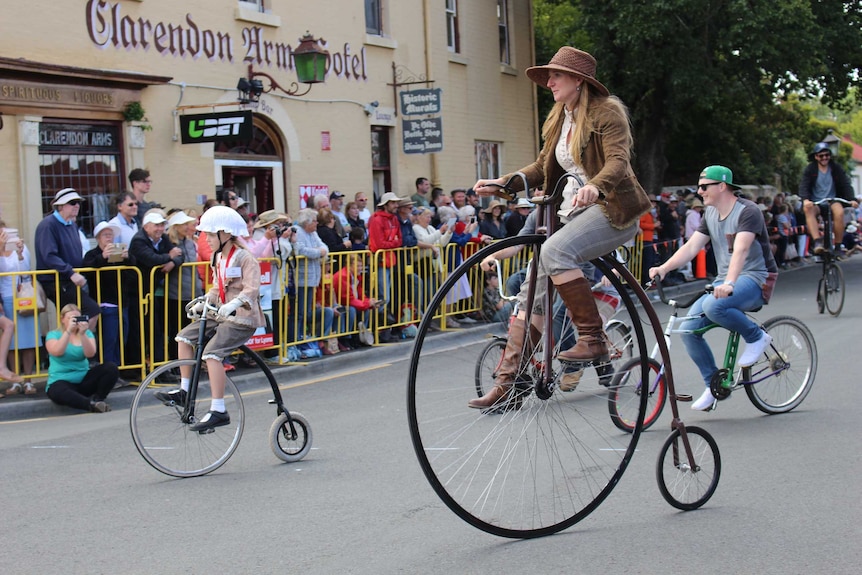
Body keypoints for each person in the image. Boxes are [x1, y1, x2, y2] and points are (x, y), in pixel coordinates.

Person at [470, 46, 650, 409]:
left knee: (554, 250)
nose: (549, 82)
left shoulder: (606, 112)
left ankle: (592, 337)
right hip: (571, 213)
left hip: (611, 209)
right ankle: (510, 381)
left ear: (579, 81)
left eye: (557, 76)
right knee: (529, 296)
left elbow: (618, 161)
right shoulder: (558, 118)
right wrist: (503, 184)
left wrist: (596, 186)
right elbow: (541, 168)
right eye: (549, 76)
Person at [649, 165, 779, 411]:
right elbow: (690, 248)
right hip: (724, 280)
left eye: (704, 186)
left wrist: (729, 282)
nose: (699, 191)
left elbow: (740, 250)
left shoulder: (747, 211)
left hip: (755, 277)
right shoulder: (709, 213)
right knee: (687, 330)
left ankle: (756, 336)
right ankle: (714, 385)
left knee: (713, 306)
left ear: (722, 186)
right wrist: (664, 268)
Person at [157, 206, 264, 432]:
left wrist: (234, 304)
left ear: (224, 234)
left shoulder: (245, 258)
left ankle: (218, 409)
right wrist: (205, 301)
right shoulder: (218, 258)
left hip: (243, 318)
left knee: (211, 353)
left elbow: (252, 289)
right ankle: (185, 391)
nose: (205, 239)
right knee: (183, 338)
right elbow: (217, 287)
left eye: (209, 234)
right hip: (222, 315)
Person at [35, 188, 101, 333]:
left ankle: (70, 348)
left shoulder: (72, 225)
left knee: (74, 317)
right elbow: (49, 256)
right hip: (56, 280)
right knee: (91, 310)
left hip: (69, 279)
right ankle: (76, 347)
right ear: (60, 206)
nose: (77, 205)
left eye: (78, 202)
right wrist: (70, 273)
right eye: (72, 203)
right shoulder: (48, 225)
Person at [129, 210, 183, 370]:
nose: (160, 229)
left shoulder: (162, 238)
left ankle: (160, 367)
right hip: (137, 292)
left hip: (153, 291)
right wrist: (169, 257)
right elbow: (151, 259)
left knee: (157, 330)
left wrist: (173, 262)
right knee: (142, 332)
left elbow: (180, 254)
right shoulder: (138, 240)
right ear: (146, 227)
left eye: (162, 225)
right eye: (156, 225)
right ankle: (142, 369)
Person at [82, 221, 137, 370]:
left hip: (122, 301)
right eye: (106, 235)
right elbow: (86, 270)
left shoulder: (119, 252)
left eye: (111, 235)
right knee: (109, 339)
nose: (109, 238)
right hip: (105, 302)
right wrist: (102, 258)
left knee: (122, 338)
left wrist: (128, 259)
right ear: (98, 238)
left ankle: (117, 369)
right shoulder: (92, 254)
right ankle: (108, 370)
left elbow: (133, 272)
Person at [45, 303, 118, 413]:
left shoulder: (86, 333)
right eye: (71, 318)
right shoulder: (53, 334)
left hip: (83, 379)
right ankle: (91, 405)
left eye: (78, 318)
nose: (75, 322)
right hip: (61, 380)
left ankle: (98, 399)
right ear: (62, 319)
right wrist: (68, 331)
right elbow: (57, 351)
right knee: (57, 390)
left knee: (111, 368)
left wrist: (83, 334)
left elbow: (90, 354)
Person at [799, 142, 858, 254]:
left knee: (839, 212)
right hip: (817, 202)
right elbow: (804, 185)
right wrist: (806, 199)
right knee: (808, 209)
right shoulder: (810, 169)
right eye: (821, 156)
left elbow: (845, 184)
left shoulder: (835, 168)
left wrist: (852, 199)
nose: (824, 158)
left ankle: (838, 245)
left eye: (827, 155)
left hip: (833, 200)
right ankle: (817, 242)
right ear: (816, 157)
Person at [0, 223, 38, 388]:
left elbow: (25, 272)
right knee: (12, 341)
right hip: (6, 296)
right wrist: (1, 249)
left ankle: (28, 380)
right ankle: (14, 381)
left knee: (27, 338)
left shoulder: (19, 247)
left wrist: (21, 254)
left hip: (23, 295)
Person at [166, 211, 204, 360]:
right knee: (177, 329)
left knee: (190, 328)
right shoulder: (171, 243)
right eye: (185, 224)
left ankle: (190, 359)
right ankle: (177, 360)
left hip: (191, 290)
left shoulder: (189, 242)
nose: (188, 226)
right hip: (177, 292)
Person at [290, 208, 329, 342]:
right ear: (307, 222)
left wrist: (321, 251)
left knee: (306, 310)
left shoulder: (313, 233)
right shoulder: (298, 231)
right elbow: (300, 250)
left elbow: (324, 247)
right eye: (314, 221)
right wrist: (318, 252)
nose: (317, 223)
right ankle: (297, 337)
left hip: (312, 278)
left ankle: (302, 335)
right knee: (299, 311)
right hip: (301, 278)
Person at [367, 192, 402, 311]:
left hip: (389, 260)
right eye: (393, 203)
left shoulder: (394, 219)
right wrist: (394, 243)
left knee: (387, 296)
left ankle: (382, 325)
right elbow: (379, 245)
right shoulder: (377, 220)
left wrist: (392, 244)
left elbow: (400, 240)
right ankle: (378, 324)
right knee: (384, 297)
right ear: (385, 205)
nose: (396, 205)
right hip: (380, 262)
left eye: (396, 202)